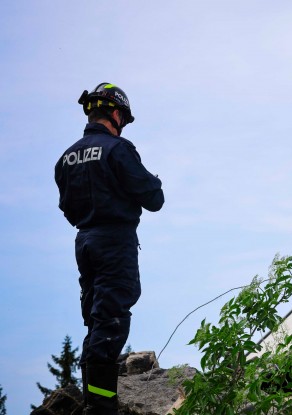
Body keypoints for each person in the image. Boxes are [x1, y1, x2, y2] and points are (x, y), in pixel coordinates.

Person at [54, 82, 164, 414]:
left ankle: (94, 397)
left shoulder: (66, 158)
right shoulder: (118, 150)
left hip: (85, 242)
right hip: (115, 242)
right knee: (111, 319)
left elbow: (66, 207)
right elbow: (153, 198)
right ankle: (101, 405)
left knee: (96, 318)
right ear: (116, 114)